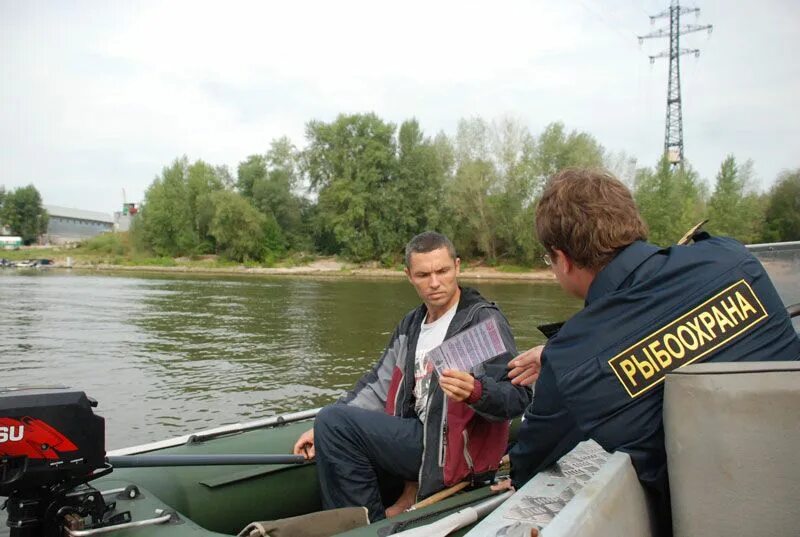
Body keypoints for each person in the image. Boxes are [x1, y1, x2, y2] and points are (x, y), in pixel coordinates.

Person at [501, 168, 800, 536]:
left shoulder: (573, 360)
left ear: (562, 259)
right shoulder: (734, 260)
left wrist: (558, 359)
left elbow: (530, 461)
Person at [293, 231, 532, 522]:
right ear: (409, 275)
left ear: (457, 267)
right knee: (331, 421)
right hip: (417, 438)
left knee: (334, 421)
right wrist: (321, 428)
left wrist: (477, 391)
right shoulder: (411, 324)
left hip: (451, 452)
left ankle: (366, 525)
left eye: (442, 271)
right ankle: (376, 515)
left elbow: (517, 397)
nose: (434, 283)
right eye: (423, 274)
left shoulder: (481, 321)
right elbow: (378, 386)